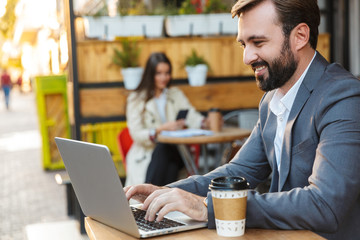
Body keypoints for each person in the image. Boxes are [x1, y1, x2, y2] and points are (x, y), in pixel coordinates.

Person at [125, 1, 360, 239]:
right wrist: (165, 192)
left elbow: (325, 205)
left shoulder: (342, 96)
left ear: (300, 36)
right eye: (243, 44)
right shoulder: (271, 101)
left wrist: (207, 207)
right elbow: (238, 171)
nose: (247, 57)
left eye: (258, 42)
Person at [125, 52, 209, 187]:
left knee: (167, 151)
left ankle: (152, 197)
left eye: (167, 73)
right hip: (148, 154)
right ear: (150, 74)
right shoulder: (136, 99)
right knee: (163, 150)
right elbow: (136, 133)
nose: (164, 77)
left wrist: (205, 122)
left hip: (175, 151)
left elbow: (191, 115)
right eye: (159, 73)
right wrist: (160, 129)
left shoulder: (175, 94)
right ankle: (161, 197)